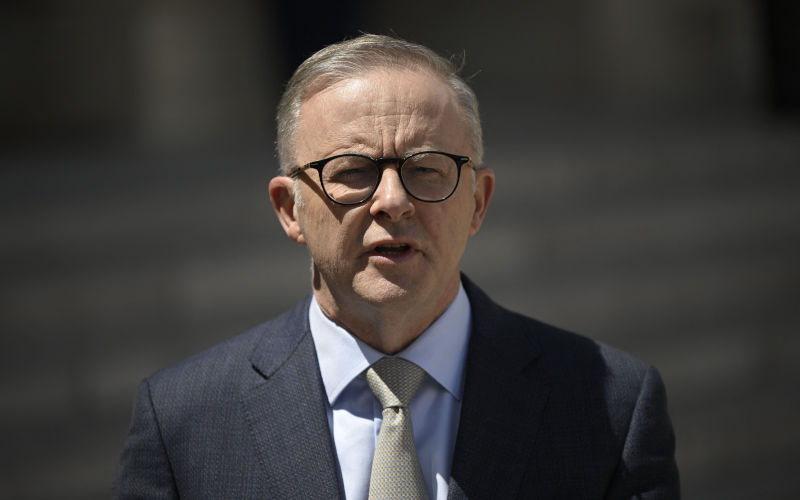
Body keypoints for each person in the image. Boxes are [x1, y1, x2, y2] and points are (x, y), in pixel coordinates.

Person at [114, 34, 680, 499]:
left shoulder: (609, 407)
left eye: (428, 168)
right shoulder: (183, 421)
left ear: (478, 202)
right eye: (352, 169)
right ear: (291, 210)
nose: (392, 200)